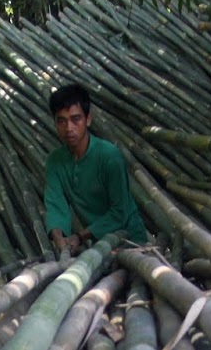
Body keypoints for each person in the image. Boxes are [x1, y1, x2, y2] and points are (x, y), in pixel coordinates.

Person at [43, 84, 149, 256]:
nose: (69, 128)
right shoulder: (55, 161)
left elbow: (119, 211)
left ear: (88, 120)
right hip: (100, 246)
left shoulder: (109, 156)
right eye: (61, 121)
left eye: (75, 119)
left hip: (130, 241)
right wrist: (59, 238)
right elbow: (55, 205)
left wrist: (80, 236)